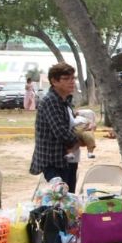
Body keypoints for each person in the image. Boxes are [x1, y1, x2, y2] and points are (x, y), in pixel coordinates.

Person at [29, 63, 81, 191]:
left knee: (69, 201)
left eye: (73, 78)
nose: (71, 82)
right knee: (61, 201)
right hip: (54, 160)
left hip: (67, 160)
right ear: (54, 81)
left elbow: (70, 125)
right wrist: (79, 139)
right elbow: (61, 132)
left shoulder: (65, 101)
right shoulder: (51, 100)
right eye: (66, 79)